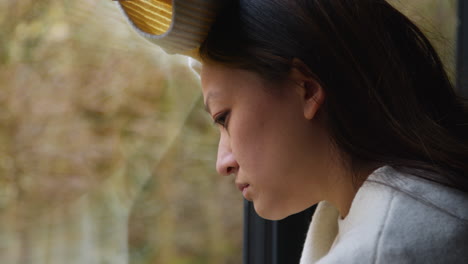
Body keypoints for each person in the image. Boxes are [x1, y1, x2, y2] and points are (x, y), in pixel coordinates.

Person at [117, 0, 468, 263]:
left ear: (307, 89)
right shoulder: (419, 212)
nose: (222, 163)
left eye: (224, 117)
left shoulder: (385, 249)